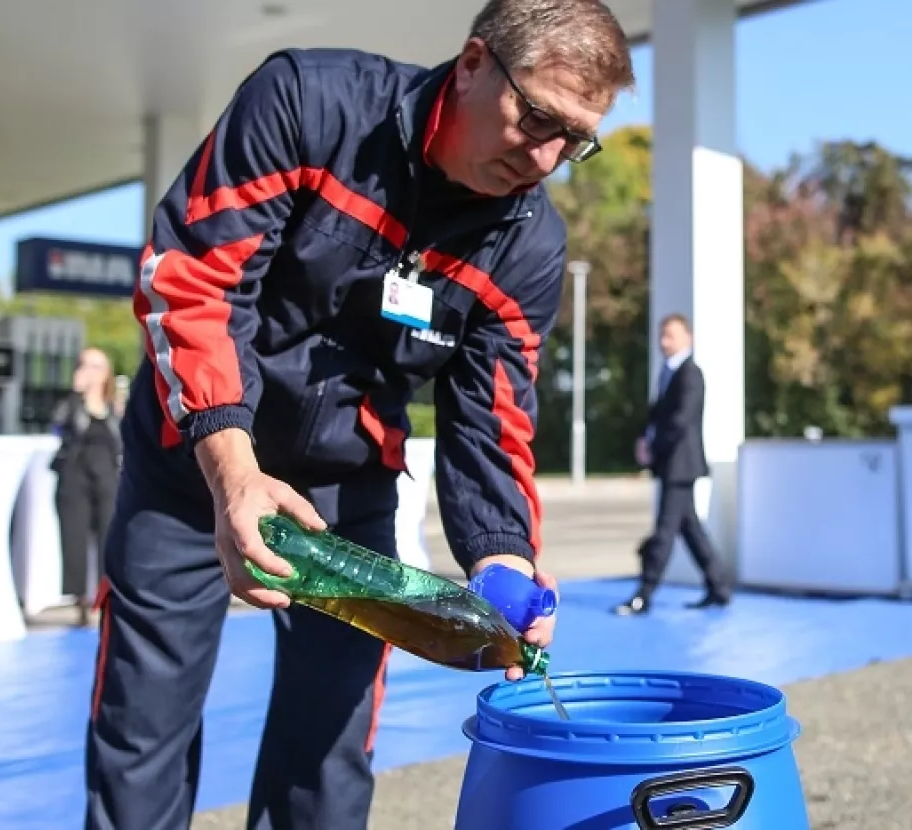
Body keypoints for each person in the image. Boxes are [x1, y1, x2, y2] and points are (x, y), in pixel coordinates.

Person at [85, 2, 634, 828]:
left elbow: (493, 419)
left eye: (576, 140)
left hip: (349, 486)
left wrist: (505, 558)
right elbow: (196, 281)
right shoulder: (308, 104)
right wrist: (234, 470)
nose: (546, 157)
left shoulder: (529, 243)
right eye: (537, 117)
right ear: (473, 63)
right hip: (194, 457)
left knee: (330, 750)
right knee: (142, 724)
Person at [615, 313, 732, 615]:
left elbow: (680, 420)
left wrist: (655, 448)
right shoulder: (667, 372)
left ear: (687, 338)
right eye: (662, 335)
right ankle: (719, 586)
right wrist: (644, 439)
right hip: (670, 464)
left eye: (671, 335)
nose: (664, 341)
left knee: (665, 531)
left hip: (681, 466)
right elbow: (657, 415)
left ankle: (644, 594)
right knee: (690, 528)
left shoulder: (690, 374)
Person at [50, 347, 121, 626]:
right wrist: (76, 394)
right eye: (85, 365)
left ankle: (106, 597)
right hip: (75, 475)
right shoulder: (71, 405)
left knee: (108, 540)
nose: (90, 372)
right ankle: (79, 599)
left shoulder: (114, 407)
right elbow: (57, 426)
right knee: (74, 538)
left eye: (96, 366)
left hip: (106, 477)